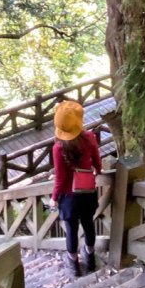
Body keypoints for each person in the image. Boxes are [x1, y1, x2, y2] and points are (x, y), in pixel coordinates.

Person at [50, 99, 102, 277]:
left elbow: (60, 178)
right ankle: (90, 259)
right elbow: (97, 162)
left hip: (68, 196)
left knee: (71, 229)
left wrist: (54, 197)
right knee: (88, 224)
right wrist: (96, 172)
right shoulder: (89, 137)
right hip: (87, 191)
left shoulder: (58, 148)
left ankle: (74, 264)